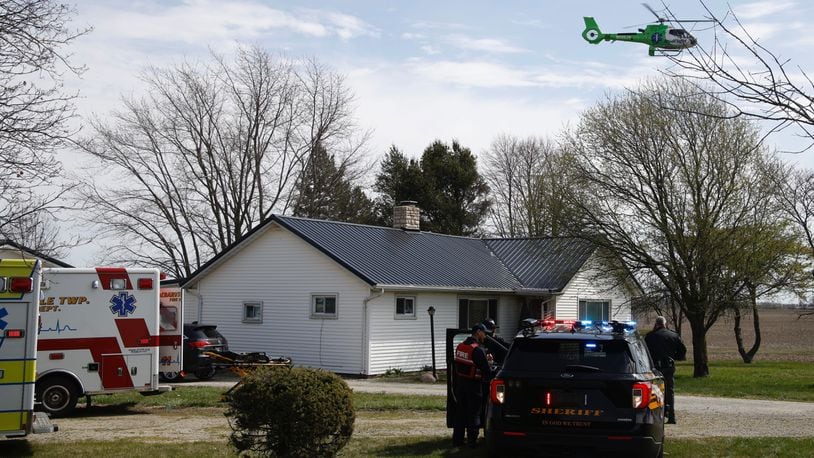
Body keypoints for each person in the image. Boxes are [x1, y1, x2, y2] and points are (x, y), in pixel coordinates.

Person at [452, 323, 496, 448]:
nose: (486, 335)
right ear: (478, 332)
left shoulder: (460, 346)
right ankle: (472, 442)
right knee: (474, 415)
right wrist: (492, 365)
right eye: (484, 333)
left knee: (460, 413)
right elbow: (487, 371)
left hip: (461, 385)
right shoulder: (477, 349)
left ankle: (457, 441)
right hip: (474, 387)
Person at [645, 316, 687, 424]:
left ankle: (658, 416)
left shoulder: (650, 336)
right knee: (670, 390)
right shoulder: (673, 335)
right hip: (669, 366)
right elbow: (683, 350)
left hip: (656, 367)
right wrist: (675, 357)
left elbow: (645, 352)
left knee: (656, 390)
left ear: (656, 324)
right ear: (665, 323)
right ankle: (672, 416)